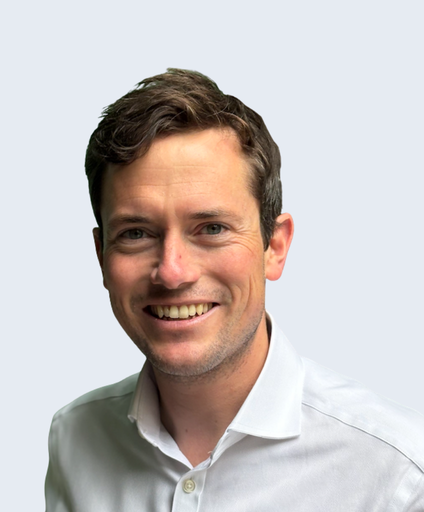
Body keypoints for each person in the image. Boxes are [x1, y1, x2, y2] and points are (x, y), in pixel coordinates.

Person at [45, 69, 424, 511]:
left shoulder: (397, 475)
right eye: (135, 233)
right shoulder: (74, 437)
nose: (172, 272)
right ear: (101, 256)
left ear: (274, 247)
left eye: (212, 228)